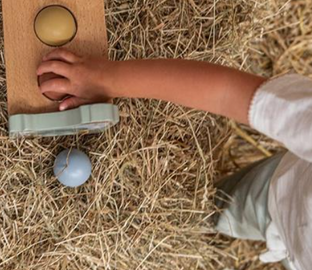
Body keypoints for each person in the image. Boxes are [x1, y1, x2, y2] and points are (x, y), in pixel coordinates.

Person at [37, 48, 312, 270]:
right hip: (280, 193)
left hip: (296, 248)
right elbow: (228, 91)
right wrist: (104, 78)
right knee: (228, 207)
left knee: (239, 213)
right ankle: (210, 211)